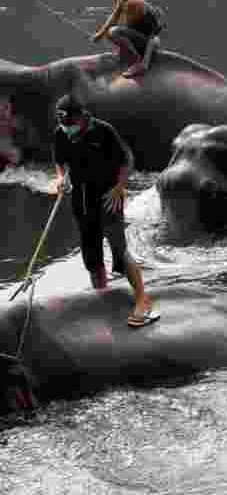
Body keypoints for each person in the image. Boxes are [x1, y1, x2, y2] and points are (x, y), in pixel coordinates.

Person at [50, 95, 157, 327]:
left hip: (108, 198)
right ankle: (103, 298)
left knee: (119, 250)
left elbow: (127, 160)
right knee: (92, 256)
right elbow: (60, 160)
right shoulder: (61, 133)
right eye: (63, 124)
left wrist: (119, 187)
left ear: (82, 117)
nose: (67, 129)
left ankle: (143, 300)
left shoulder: (104, 131)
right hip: (82, 200)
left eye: (71, 124)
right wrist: (60, 178)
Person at [92, 0, 163, 78]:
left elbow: (127, 30)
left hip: (149, 42)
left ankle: (138, 62)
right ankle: (130, 55)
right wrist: (100, 34)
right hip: (141, 36)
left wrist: (107, 35)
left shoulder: (132, 3)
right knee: (112, 32)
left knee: (113, 32)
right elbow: (114, 16)